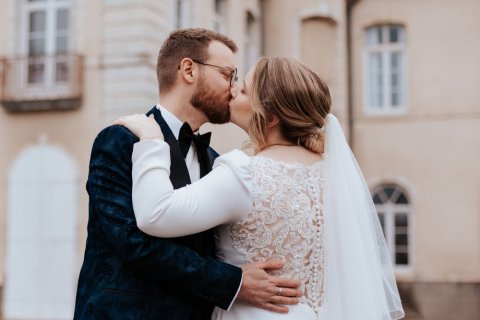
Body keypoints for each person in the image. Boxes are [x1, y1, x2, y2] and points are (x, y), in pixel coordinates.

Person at [115, 56, 405, 319]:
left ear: (272, 115)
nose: (231, 91)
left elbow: (155, 214)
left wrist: (152, 142)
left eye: (242, 90)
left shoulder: (246, 172)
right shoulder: (335, 176)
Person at [74, 29, 301, 320]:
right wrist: (234, 282)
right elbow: (134, 244)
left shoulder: (216, 161)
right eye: (228, 74)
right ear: (189, 70)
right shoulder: (119, 142)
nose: (233, 88)